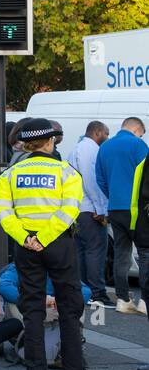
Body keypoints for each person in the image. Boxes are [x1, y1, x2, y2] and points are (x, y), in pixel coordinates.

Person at [0, 117, 90, 370]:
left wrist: (27, 238)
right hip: (59, 243)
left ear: (25, 144)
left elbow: (2, 210)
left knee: (31, 308)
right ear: (50, 142)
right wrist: (45, 238)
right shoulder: (66, 172)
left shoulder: (10, 174)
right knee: (69, 308)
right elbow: (69, 210)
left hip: (25, 246)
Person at [95, 116, 147, 315]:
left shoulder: (105, 147)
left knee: (121, 254)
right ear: (136, 130)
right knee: (145, 253)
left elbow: (99, 178)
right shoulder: (138, 145)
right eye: (141, 133)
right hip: (137, 209)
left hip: (115, 208)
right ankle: (144, 301)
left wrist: (113, 196)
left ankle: (123, 299)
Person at [0, 258, 91, 367]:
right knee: (12, 303)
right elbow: (4, 286)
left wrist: (57, 302)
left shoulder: (60, 267)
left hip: (55, 312)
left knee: (77, 303)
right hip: (30, 314)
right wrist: (38, 302)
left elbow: (85, 291)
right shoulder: (20, 265)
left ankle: (73, 341)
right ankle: (28, 342)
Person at [68, 120, 111, 306]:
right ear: (98, 132)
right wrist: (100, 209)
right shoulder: (90, 150)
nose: (107, 138)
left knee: (80, 252)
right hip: (89, 209)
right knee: (95, 251)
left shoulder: (75, 149)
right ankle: (97, 293)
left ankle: (83, 291)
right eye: (106, 134)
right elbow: (91, 181)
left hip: (76, 209)